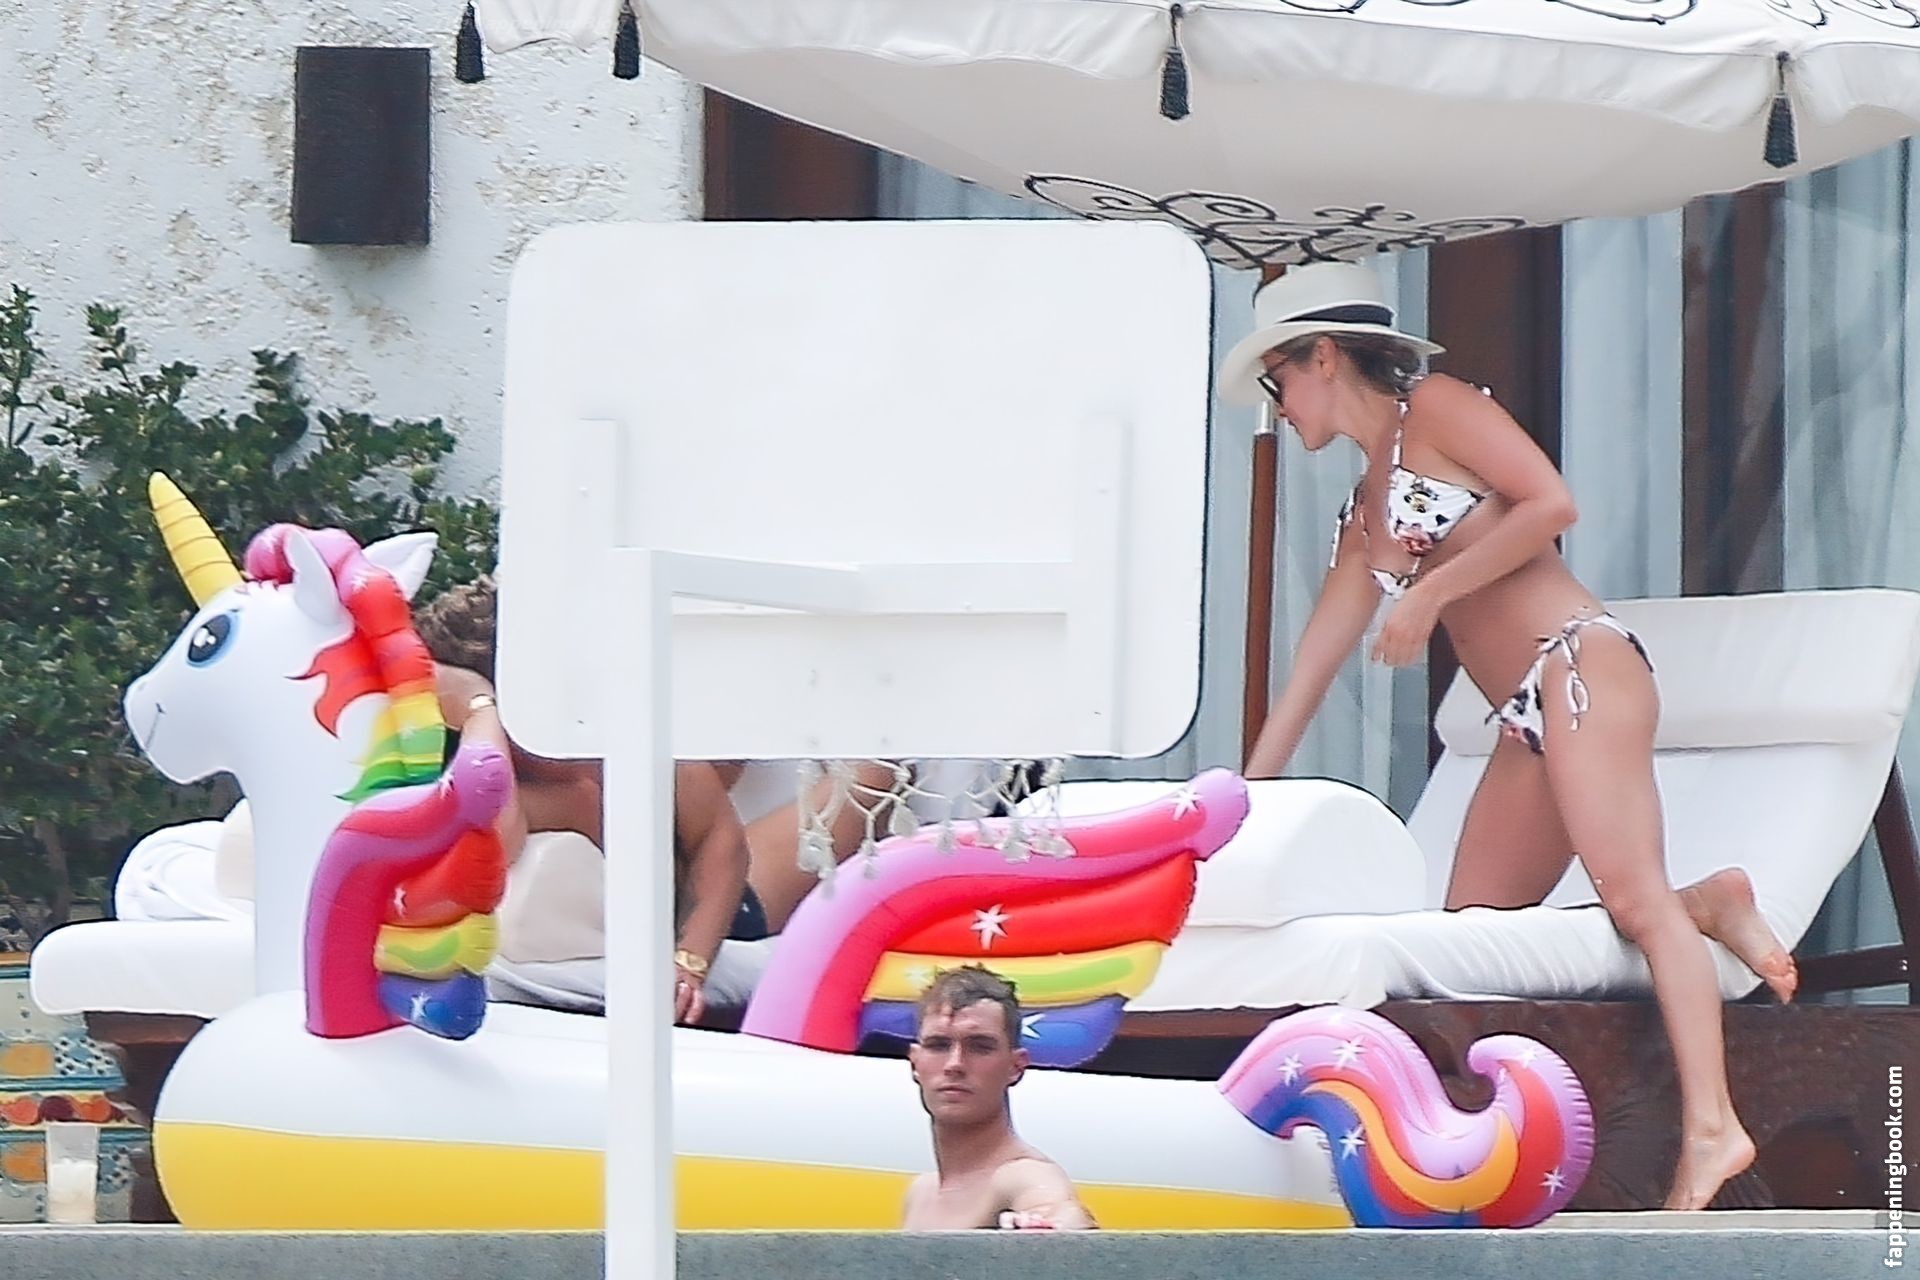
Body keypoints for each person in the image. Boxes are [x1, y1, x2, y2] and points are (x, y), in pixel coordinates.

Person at [1221, 261, 1797, 1211]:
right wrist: (1239, 804)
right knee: (1476, 939)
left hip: (1579, 666)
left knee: (1632, 899)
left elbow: (1552, 504)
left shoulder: (1438, 407)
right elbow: (1310, 674)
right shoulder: (1363, 516)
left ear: (1321, 357)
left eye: (1276, 382)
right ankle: (1705, 903)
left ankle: (1713, 1128)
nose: (1277, 408)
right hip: (1522, 722)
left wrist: (1431, 596)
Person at [415, 575, 761, 1025]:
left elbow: (720, 840)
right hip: (676, 889)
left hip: (723, 906)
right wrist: (479, 707)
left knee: (846, 798)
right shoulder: (506, 786)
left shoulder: (622, 738)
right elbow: (499, 843)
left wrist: (689, 962)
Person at [900, 967, 1096, 1232]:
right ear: (915, 1062)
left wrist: (1050, 1227)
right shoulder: (921, 1193)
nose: (954, 1064)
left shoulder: (1021, 1175)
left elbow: (1059, 1210)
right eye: (938, 1045)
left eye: (980, 1047)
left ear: (1016, 1066)